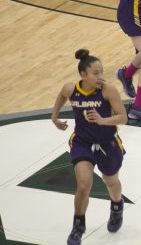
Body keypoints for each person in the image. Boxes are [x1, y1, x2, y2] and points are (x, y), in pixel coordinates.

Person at [50, 49, 128, 245]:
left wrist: (102, 120)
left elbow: (123, 117)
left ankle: (117, 207)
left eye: (102, 72)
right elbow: (62, 94)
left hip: (108, 143)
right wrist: (54, 116)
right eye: (95, 73)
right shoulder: (71, 89)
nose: (100, 76)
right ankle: (78, 227)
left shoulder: (108, 90)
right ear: (83, 75)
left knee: (111, 182)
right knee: (84, 185)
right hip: (82, 143)